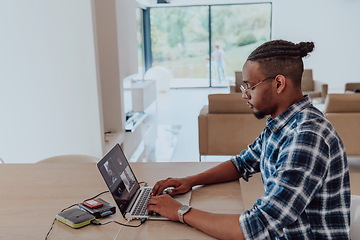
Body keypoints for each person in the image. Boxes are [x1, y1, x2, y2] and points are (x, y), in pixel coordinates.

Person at [148, 40, 350, 239]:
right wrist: (189, 181)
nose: (245, 96)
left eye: (250, 87)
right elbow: (242, 163)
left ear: (279, 83)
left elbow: (255, 227)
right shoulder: (282, 124)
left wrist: (180, 212)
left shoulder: (307, 137)